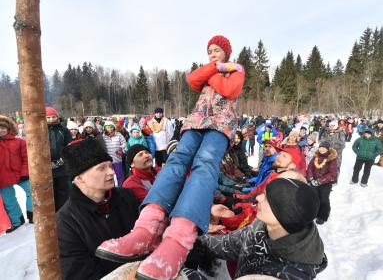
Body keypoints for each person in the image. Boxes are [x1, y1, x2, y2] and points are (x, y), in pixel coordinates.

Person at [96, 35, 245, 280]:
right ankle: (146, 228)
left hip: (220, 125)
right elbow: (192, 79)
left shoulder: (237, 69)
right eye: (209, 51)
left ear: (227, 52)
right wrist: (216, 68)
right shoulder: (216, 69)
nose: (212, 54)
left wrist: (214, 74)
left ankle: (178, 239)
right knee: (175, 161)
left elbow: (230, 89)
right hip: (195, 122)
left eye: (217, 50)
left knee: (204, 165)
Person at [198, 178, 327, 279]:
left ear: (284, 214)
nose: (259, 197)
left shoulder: (289, 273)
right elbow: (230, 244)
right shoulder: (262, 226)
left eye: (267, 198)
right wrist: (190, 240)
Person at [57, 138, 139, 279]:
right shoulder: (66, 222)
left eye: (110, 166)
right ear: (79, 178)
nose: (111, 172)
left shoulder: (127, 197)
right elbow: (80, 274)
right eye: (101, 168)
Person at [0, 115, 31, 233]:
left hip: (21, 174)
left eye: (3, 127)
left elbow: (26, 159)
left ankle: (33, 215)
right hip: (3, 177)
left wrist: (25, 173)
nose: (1, 130)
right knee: (9, 201)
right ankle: (17, 221)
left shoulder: (19, 142)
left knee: (31, 194)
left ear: (8, 129)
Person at [46, 106, 73, 211]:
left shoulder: (63, 130)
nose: (51, 120)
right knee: (50, 192)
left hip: (61, 167)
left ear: (57, 117)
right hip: (46, 169)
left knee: (63, 192)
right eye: (48, 117)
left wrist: (62, 160)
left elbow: (69, 146)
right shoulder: (40, 130)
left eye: (53, 117)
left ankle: (62, 212)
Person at [307, 141, 337, 225]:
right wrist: (311, 178)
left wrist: (320, 181)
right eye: (320, 147)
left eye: (324, 148)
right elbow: (310, 168)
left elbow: (332, 174)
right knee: (314, 198)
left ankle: (322, 216)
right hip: (314, 181)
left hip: (325, 183)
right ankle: (314, 213)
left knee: (323, 199)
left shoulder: (331, 159)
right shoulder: (315, 156)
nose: (321, 149)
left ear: (327, 149)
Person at [102, 120, 127, 186]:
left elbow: (124, 143)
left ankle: (121, 187)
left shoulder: (118, 135)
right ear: (105, 128)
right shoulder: (103, 136)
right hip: (108, 160)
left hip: (117, 159)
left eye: (111, 127)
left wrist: (121, 148)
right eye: (108, 127)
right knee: (109, 175)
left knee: (119, 174)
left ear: (114, 127)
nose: (110, 128)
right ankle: (111, 187)